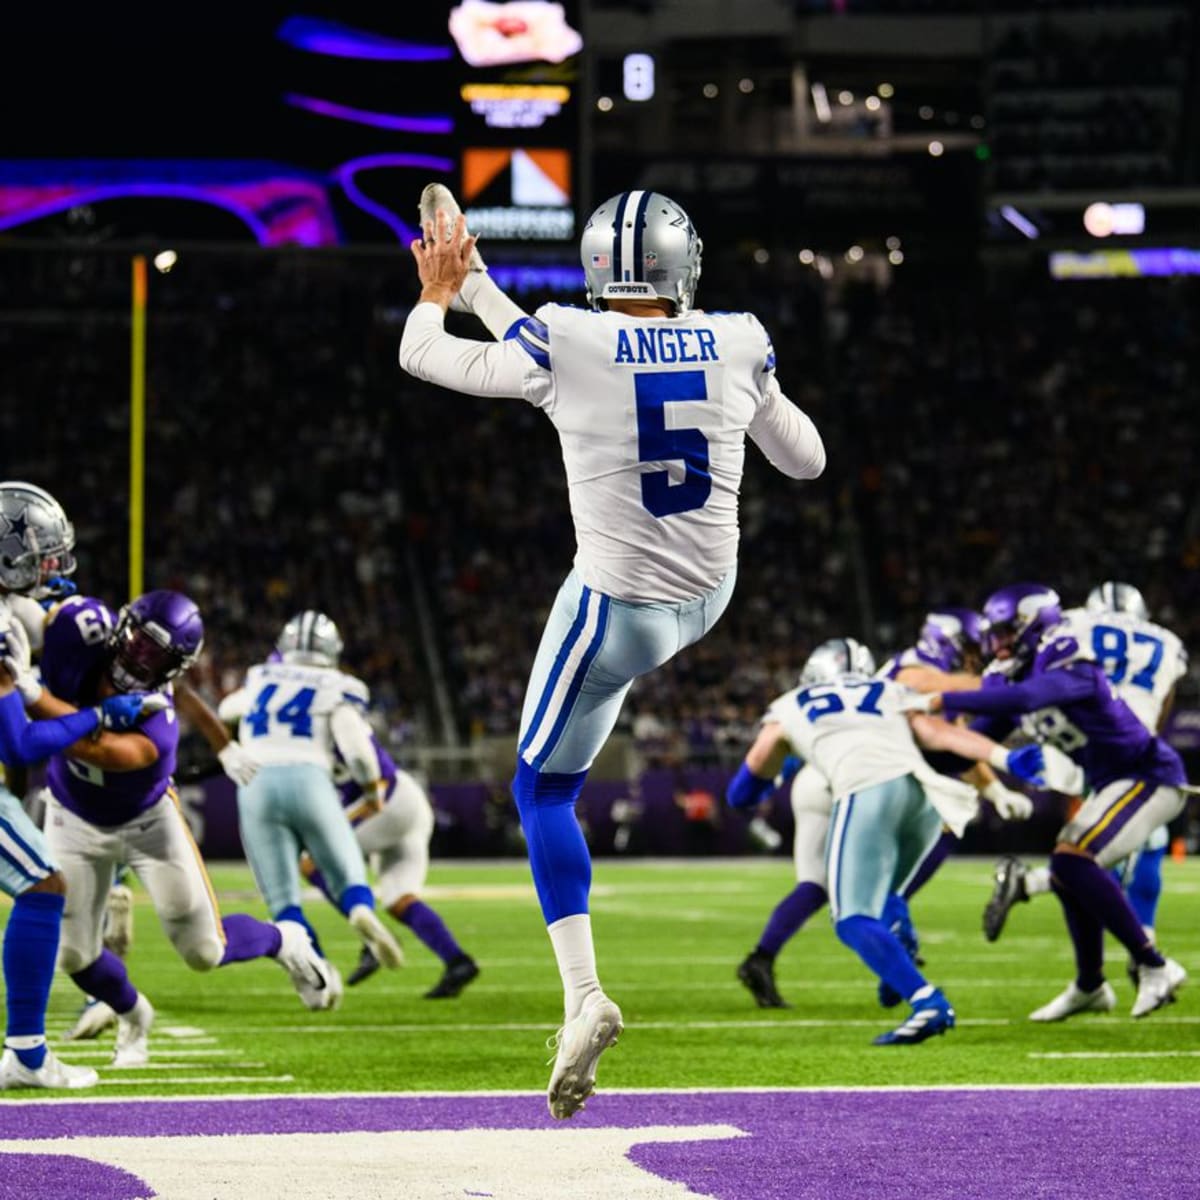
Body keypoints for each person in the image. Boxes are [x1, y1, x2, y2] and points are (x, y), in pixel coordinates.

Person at [400, 186, 826, 1118]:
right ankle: (580, 1000)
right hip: (708, 597)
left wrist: (443, 287)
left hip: (617, 607)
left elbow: (422, 355)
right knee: (560, 763)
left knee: (541, 790)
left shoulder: (561, 336)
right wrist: (478, 282)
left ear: (598, 267)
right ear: (685, 264)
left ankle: (583, 996)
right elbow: (807, 461)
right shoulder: (741, 336)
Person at [24, 589, 338, 1067]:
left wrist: (32, 696)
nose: (139, 659)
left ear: (172, 670)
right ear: (122, 627)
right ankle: (134, 1015)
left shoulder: (157, 727)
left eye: (157, 657)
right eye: (139, 642)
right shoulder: (81, 632)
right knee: (73, 956)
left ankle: (285, 940)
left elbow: (94, 749)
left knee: (204, 951)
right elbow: (35, 621)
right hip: (72, 816)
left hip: (147, 823)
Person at [726, 637, 1046, 1045]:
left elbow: (757, 763)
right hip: (925, 797)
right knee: (884, 898)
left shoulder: (792, 702)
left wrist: (743, 794)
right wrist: (1005, 759)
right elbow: (938, 734)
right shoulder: (889, 690)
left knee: (851, 917)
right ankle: (896, 960)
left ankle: (926, 1001)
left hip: (865, 788)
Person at [931, 582, 1187, 1021]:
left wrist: (942, 697)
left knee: (1073, 860)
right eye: (995, 634)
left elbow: (1028, 698)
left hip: (1148, 775)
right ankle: (1090, 985)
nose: (998, 644)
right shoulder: (1020, 674)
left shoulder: (1071, 661)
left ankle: (1154, 964)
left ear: (1037, 626)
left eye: (1008, 632)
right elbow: (966, 746)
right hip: (1112, 778)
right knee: (1070, 870)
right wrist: (912, 748)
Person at [984, 580, 1189, 948]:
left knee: (1086, 840)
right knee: (1122, 847)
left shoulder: (1074, 624)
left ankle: (1110, 951)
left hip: (1070, 738)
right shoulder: (1166, 641)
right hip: (1122, 746)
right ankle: (1142, 945)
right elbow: (1163, 704)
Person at [218, 611, 405, 980]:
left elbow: (226, 710)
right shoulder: (338, 684)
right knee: (346, 869)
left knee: (282, 896)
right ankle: (359, 910)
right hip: (309, 776)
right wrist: (369, 788)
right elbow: (356, 751)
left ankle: (318, 974)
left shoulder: (260, 676)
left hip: (254, 781)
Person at [302, 693, 480, 999]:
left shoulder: (338, 726)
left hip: (389, 802)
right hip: (406, 804)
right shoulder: (318, 729)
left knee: (310, 863)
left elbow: (380, 783)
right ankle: (457, 961)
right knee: (399, 899)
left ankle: (371, 940)